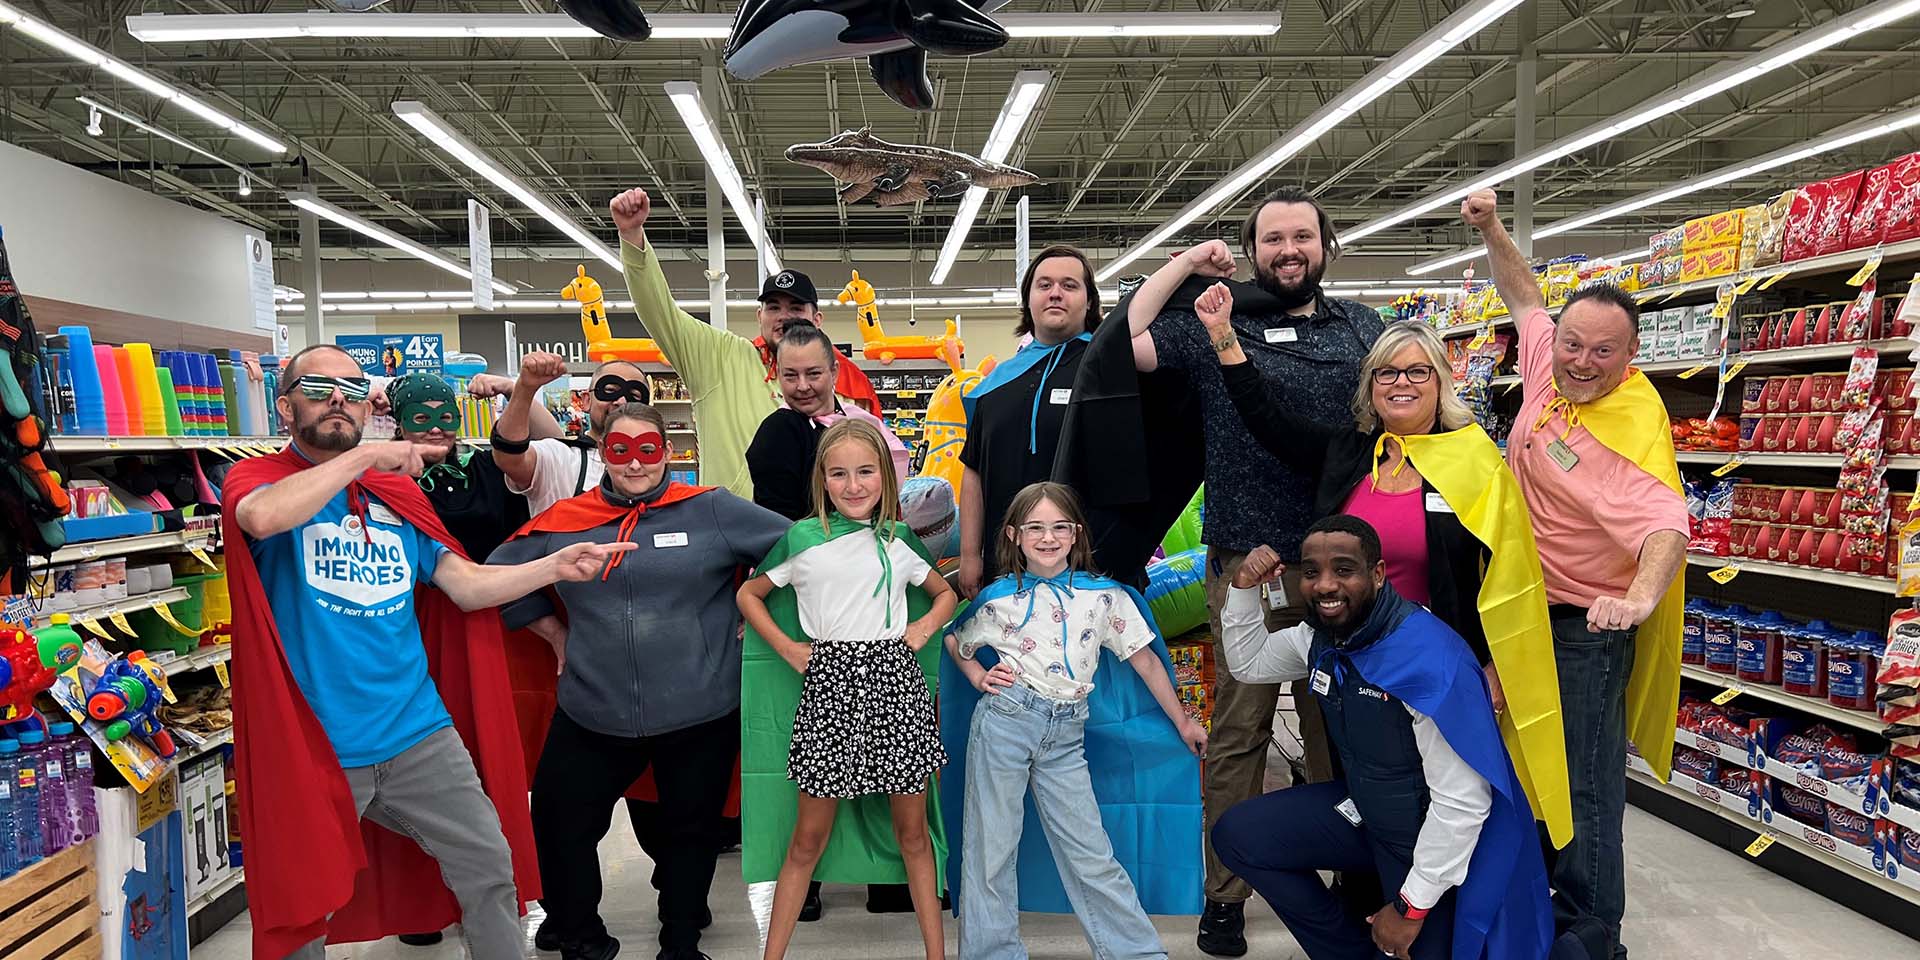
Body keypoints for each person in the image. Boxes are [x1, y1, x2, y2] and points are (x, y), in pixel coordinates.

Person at [218, 344, 634, 959]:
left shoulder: (394, 498)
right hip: (313, 744)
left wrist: (555, 566)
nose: (339, 400)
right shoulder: (257, 479)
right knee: (304, 910)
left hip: (418, 732)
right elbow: (261, 519)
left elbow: (464, 587)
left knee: (491, 868)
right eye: (319, 388)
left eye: (354, 390)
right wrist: (363, 457)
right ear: (285, 407)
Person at [1058, 187, 1385, 956]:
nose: (1288, 249)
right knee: (1239, 732)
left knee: (1338, 724)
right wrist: (1186, 261)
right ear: (1254, 249)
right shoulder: (1213, 324)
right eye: (1272, 238)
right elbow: (1124, 336)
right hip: (1246, 565)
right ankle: (1225, 894)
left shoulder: (1363, 329)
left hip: (1342, 560)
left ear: (1325, 244)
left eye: (1302, 235)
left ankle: (1350, 876)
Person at [1181, 293, 1573, 849]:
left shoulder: (1474, 460)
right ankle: (1369, 907)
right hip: (1353, 662)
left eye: (1417, 370)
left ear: (1440, 380)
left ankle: (1427, 914)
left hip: (1435, 665)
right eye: (1386, 372)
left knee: (1441, 802)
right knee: (1362, 797)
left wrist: (1496, 664)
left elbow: (1506, 574)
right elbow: (1266, 419)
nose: (1401, 382)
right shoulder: (1351, 452)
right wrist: (1222, 333)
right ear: (1369, 385)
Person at [1464, 189, 1688, 960]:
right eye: (1572, 345)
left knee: (1586, 787)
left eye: (1603, 353)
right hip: (1521, 618)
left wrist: (1635, 599)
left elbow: (1666, 526)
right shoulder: (1547, 374)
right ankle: (1541, 908)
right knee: (1528, 774)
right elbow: (1524, 296)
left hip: (1581, 632)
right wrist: (1493, 227)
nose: (1582, 363)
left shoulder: (1628, 432)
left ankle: (1596, 932)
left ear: (1631, 358)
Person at [488, 401, 790, 960]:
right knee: (559, 822)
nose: (633, 465)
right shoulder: (565, 520)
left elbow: (796, 549)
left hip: (699, 708)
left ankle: (680, 939)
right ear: (603, 453)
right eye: (619, 450)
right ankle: (579, 935)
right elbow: (497, 573)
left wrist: (754, 610)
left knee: (690, 833)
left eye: (646, 450)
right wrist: (552, 631)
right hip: (591, 709)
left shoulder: (712, 510)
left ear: (668, 454)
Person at [1210, 516, 1553, 960]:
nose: (1325, 585)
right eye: (1311, 572)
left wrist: (1411, 907)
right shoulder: (1318, 636)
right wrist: (1241, 587)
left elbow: (1464, 802)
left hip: (1431, 840)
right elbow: (1249, 663)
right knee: (1240, 834)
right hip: (1367, 813)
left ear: (1377, 574)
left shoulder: (1427, 660)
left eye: (1344, 569)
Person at [941, 481, 1206, 960]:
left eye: (1059, 526)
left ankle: (1136, 952)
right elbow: (955, 641)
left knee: (1091, 851)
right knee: (991, 850)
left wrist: (1184, 721)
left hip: (1066, 735)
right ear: (1014, 536)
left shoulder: (1105, 597)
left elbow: (1145, 660)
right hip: (1005, 722)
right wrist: (978, 675)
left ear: (1076, 533)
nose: (1047, 537)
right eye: (1035, 527)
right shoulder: (999, 598)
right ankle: (991, 952)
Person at [736, 420, 958, 960]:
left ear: (884, 475)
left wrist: (921, 630)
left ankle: (937, 955)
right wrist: (790, 650)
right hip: (829, 688)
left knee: (912, 835)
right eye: (839, 474)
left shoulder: (899, 540)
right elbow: (750, 593)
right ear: (823, 480)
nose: (854, 485)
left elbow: (944, 594)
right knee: (806, 839)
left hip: (896, 686)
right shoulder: (803, 537)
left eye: (865, 472)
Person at [381, 372, 534, 949]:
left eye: (445, 415)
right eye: (420, 416)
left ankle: (487, 902)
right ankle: (417, 905)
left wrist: (519, 391)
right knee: (402, 774)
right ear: (398, 421)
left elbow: (539, 453)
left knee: (477, 765)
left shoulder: (487, 470)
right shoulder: (375, 476)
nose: (437, 427)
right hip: (405, 625)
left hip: (476, 622)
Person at [609, 187, 882, 500]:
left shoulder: (844, 381)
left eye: (796, 308)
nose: (784, 317)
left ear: (817, 319)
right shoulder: (719, 358)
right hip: (732, 534)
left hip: (818, 537)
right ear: (759, 315)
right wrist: (632, 237)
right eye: (774, 307)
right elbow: (659, 313)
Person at [956, 246, 1102, 596]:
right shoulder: (994, 384)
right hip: (1005, 563)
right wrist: (969, 555)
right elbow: (973, 470)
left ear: (1089, 302)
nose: (1055, 293)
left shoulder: (1105, 372)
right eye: (1044, 284)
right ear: (1029, 300)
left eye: (1069, 285)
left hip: (1085, 565)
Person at [748, 321, 912, 521]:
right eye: (790, 375)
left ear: (834, 372)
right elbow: (778, 522)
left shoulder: (859, 421)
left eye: (813, 374)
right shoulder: (778, 432)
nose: (802, 386)